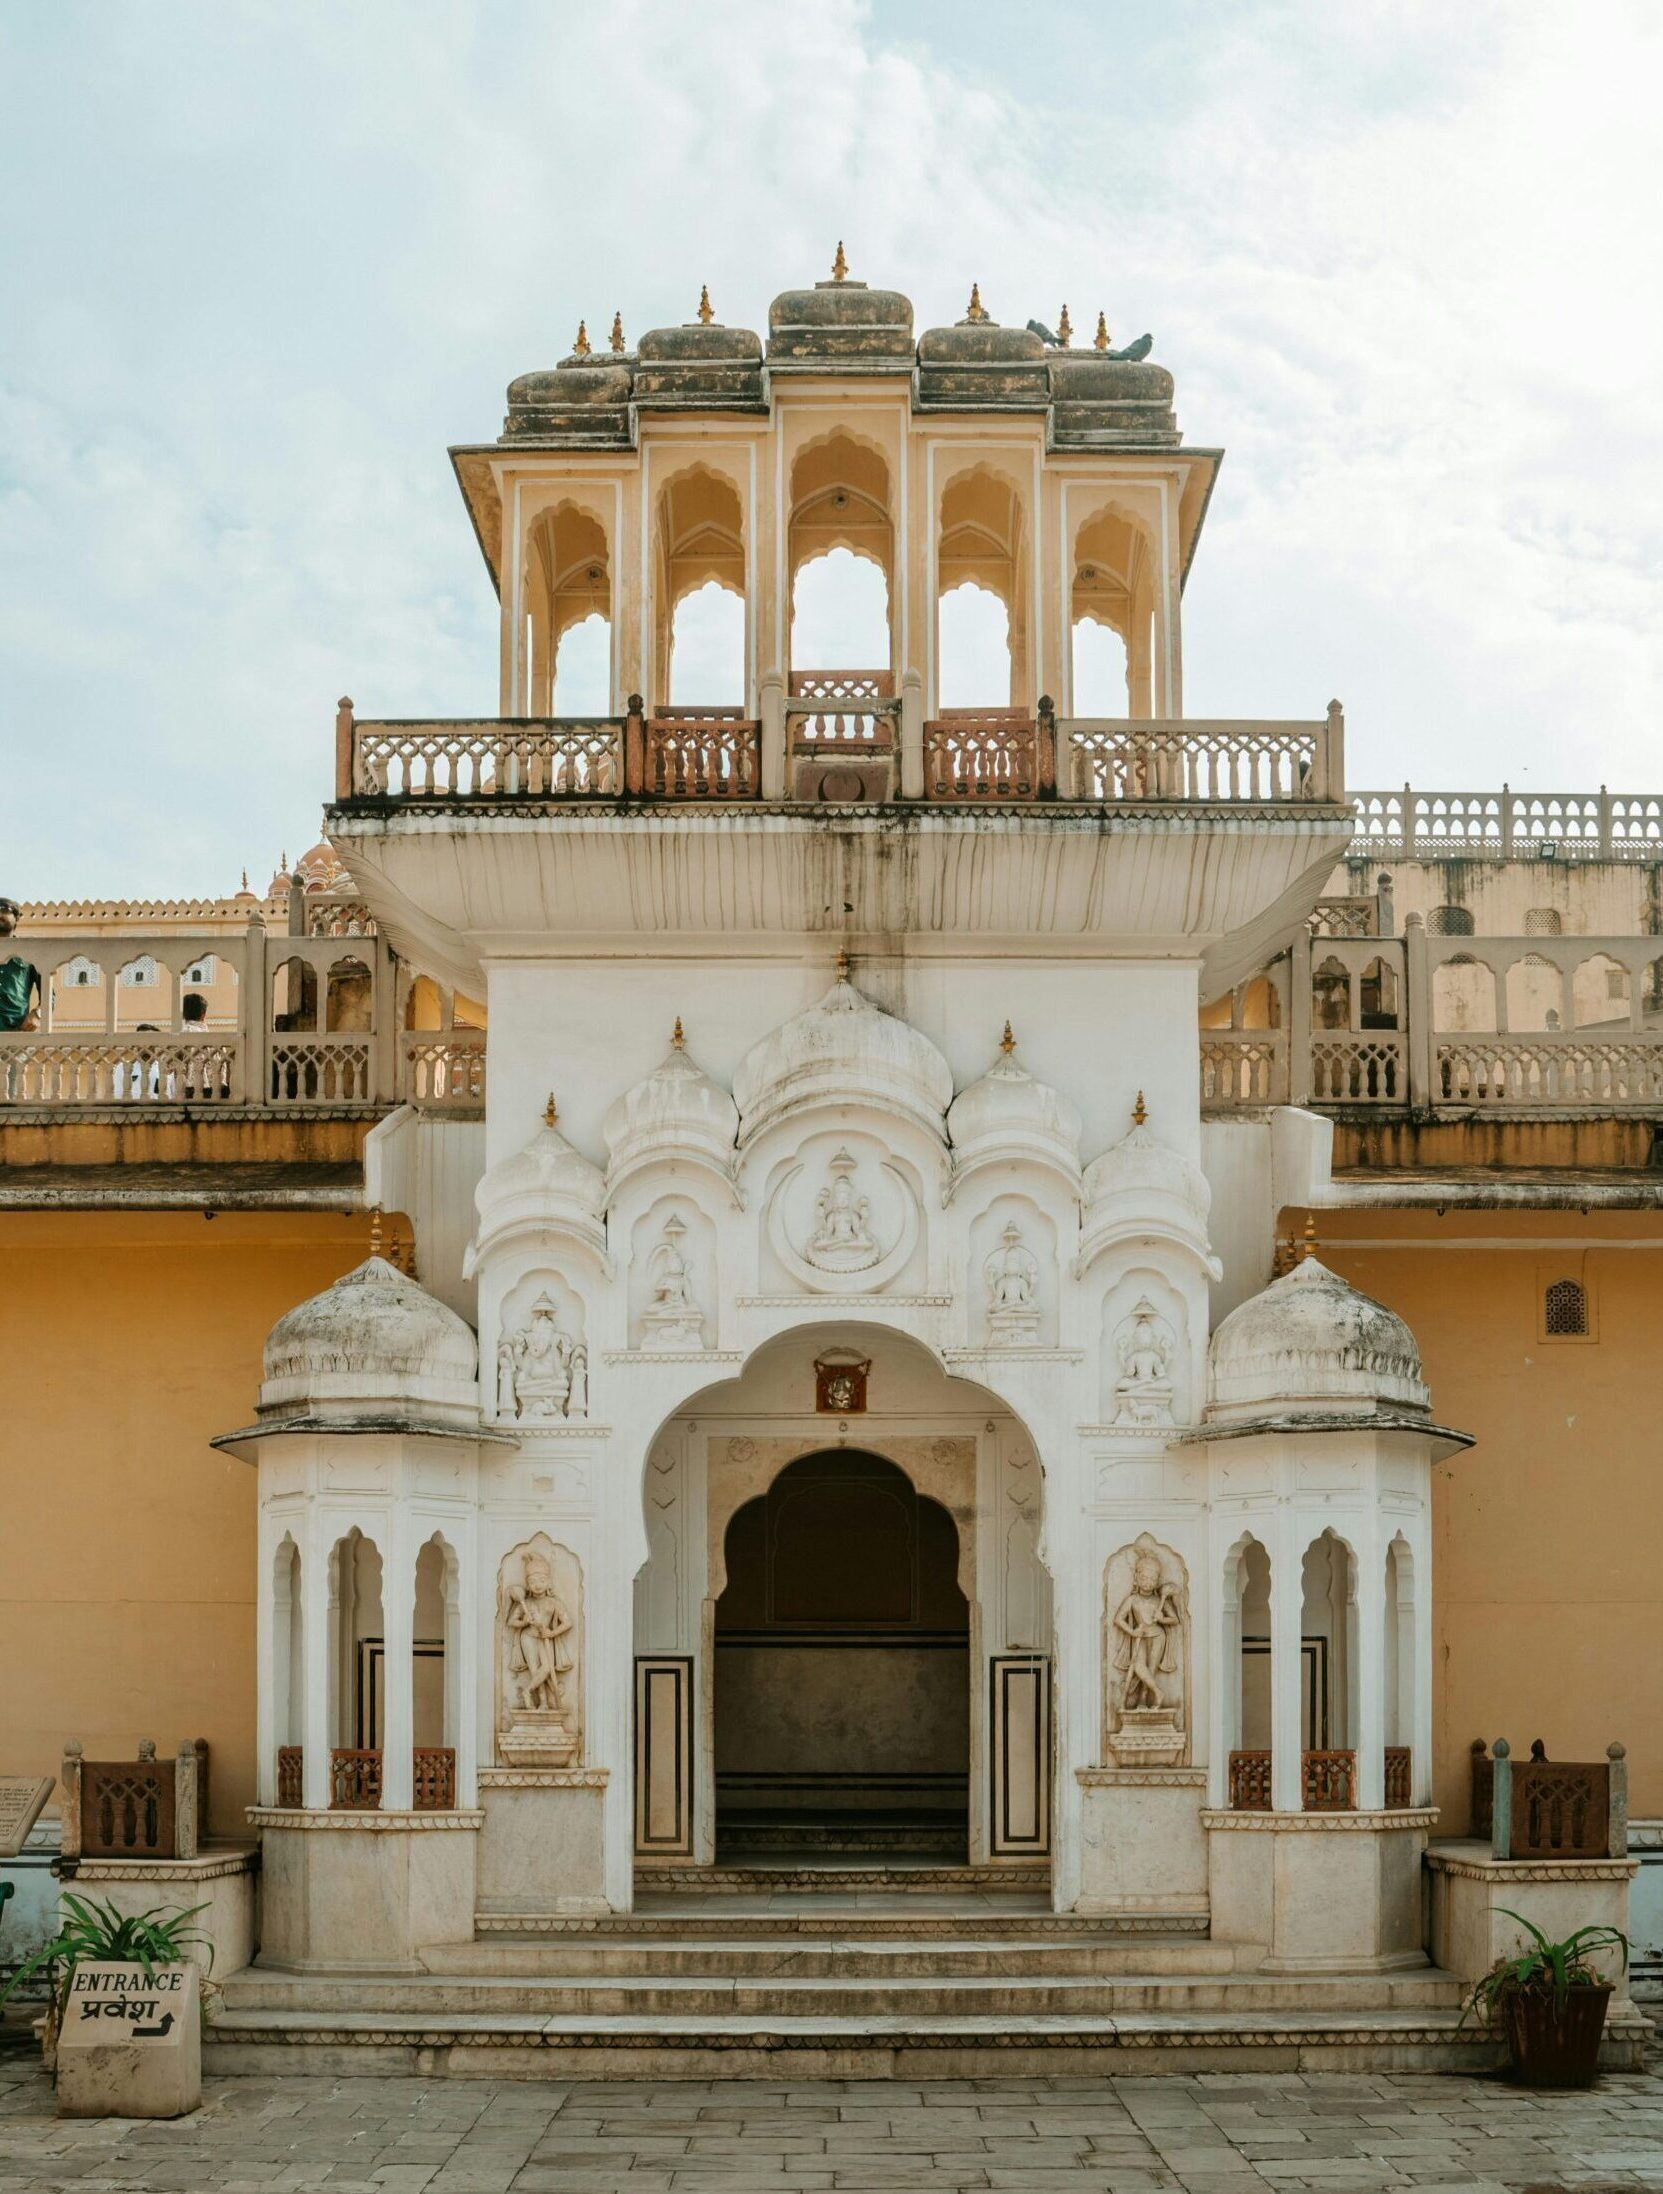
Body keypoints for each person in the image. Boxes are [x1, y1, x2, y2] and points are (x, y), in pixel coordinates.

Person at [0, 899, 41, 1033]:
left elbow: (48, 993)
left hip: (16, 1032)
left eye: (5, 909)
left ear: (16, 918)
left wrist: (37, 1014)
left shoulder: (29, 951)